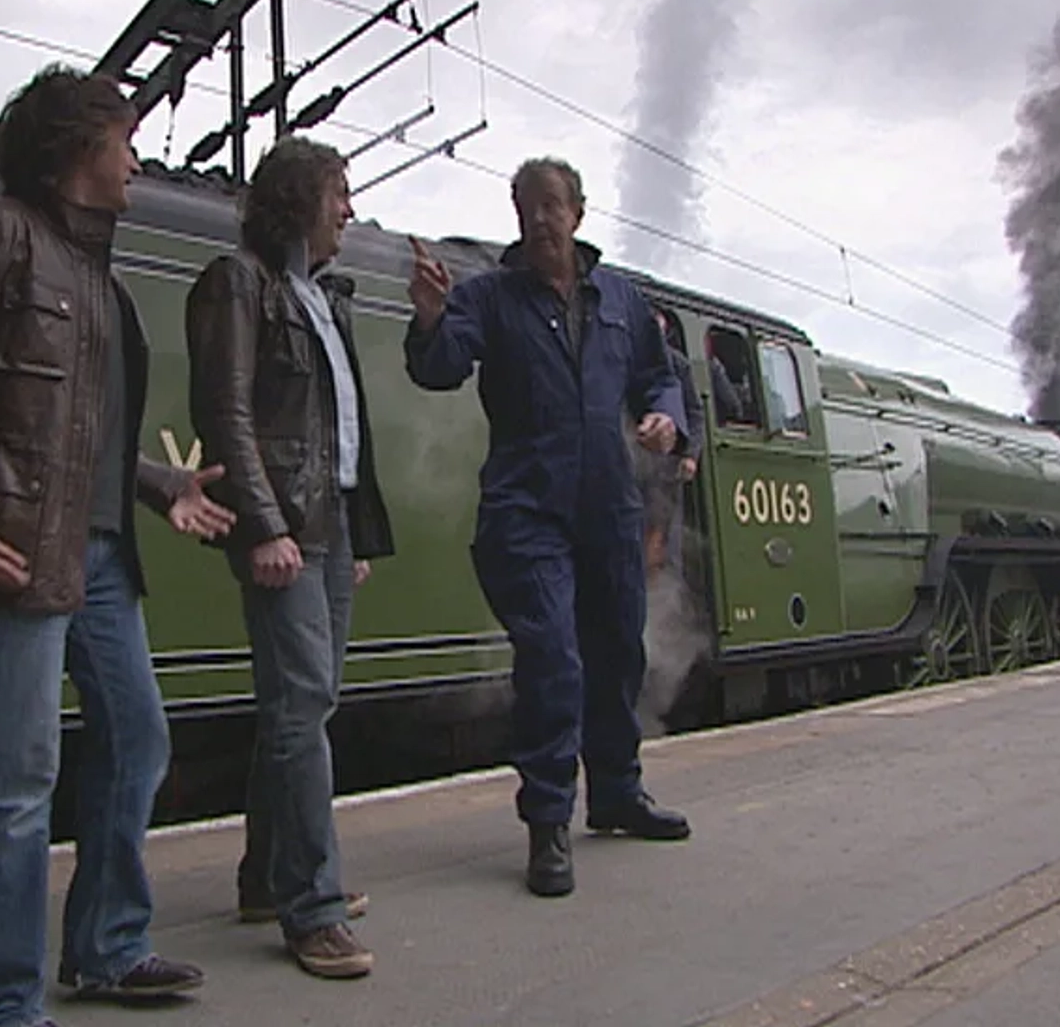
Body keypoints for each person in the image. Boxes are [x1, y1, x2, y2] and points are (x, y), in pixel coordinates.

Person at [0, 63, 235, 1027]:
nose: (136, 159)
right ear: (79, 146)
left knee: (137, 738)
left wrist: (162, 486)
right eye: (124, 139)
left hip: (104, 557)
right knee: (14, 780)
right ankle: (2, 1003)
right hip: (15, 551)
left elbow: (89, 437)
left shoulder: (101, 282)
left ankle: (108, 947)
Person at [403, 156, 693, 899]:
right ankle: (548, 824)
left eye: (550, 206)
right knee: (553, 660)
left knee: (619, 651)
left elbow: (660, 376)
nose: (538, 219)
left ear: (579, 213)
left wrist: (666, 416)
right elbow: (438, 368)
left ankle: (619, 792)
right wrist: (431, 319)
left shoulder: (621, 300)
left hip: (609, 507)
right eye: (526, 206)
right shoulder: (490, 298)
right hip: (527, 510)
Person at [183, 135, 395, 978]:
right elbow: (226, 411)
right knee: (303, 706)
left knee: (302, 707)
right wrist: (264, 524)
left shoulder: (321, 296)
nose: (349, 210)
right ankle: (310, 909)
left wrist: (350, 535)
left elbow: (342, 428)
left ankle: (267, 882)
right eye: (338, 193)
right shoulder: (240, 282)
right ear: (299, 200)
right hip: (286, 523)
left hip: (327, 523)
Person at [637, 307, 706, 577]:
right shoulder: (628, 362)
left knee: (667, 537)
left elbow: (695, 413)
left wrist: (691, 455)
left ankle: (669, 596)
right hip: (633, 465)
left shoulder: (678, 365)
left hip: (667, 468)